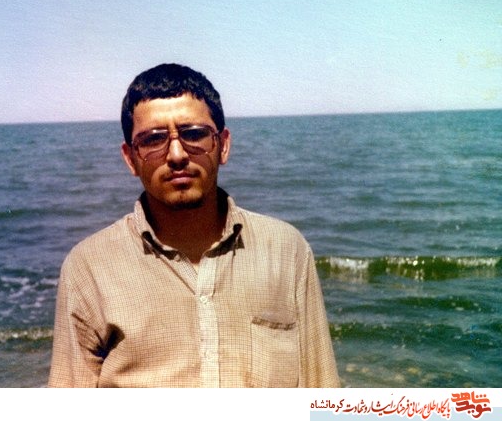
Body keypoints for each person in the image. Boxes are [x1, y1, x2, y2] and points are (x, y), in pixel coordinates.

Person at [48, 63, 339, 387]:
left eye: (194, 134)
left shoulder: (286, 250)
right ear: (130, 158)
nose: (176, 155)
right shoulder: (89, 267)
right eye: (153, 140)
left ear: (223, 145)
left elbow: (321, 393)